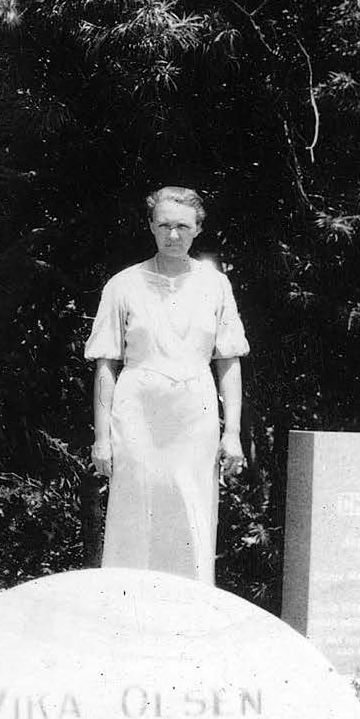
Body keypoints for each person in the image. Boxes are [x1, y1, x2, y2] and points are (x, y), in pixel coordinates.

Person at [85, 186, 248, 585]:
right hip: (137, 410)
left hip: (196, 412)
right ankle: (127, 610)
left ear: (198, 229)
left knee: (192, 508)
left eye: (182, 226)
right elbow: (106, 363)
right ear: (150, 227)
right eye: (164, 226)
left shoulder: (215, 285)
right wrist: (102, 438)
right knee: (135, 508)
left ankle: (189, 614)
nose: (173, 235)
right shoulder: (123, 285)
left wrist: (234, 434)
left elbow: (228, 361)